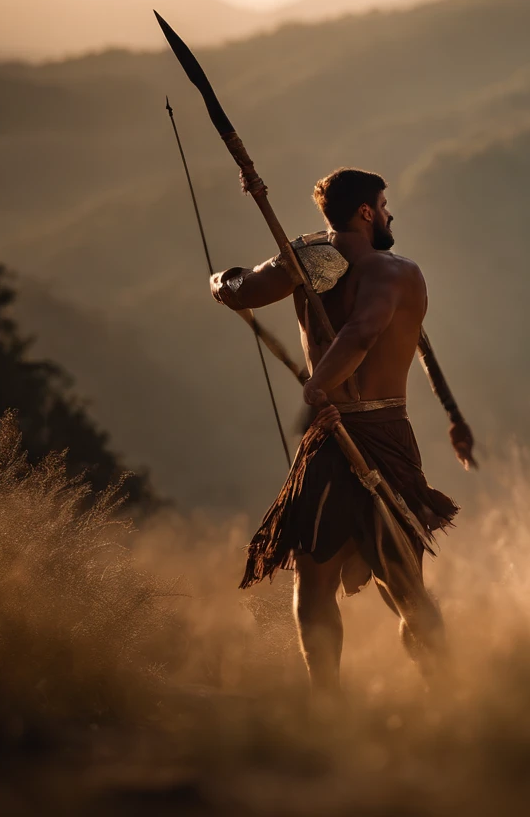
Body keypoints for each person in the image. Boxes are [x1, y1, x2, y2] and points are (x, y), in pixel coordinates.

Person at [209, 167, 467, 693]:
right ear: (366, 212)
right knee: (349, 579)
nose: (391, 213)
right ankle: (336, 703)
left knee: (384, 583)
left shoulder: (308, 262)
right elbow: (359, 332)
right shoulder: (393, 272)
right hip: (364, 429)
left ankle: (443, 692)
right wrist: (318, 389)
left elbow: (242, 291)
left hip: (352, 432)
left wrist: (219, 280)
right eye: (385, 203)